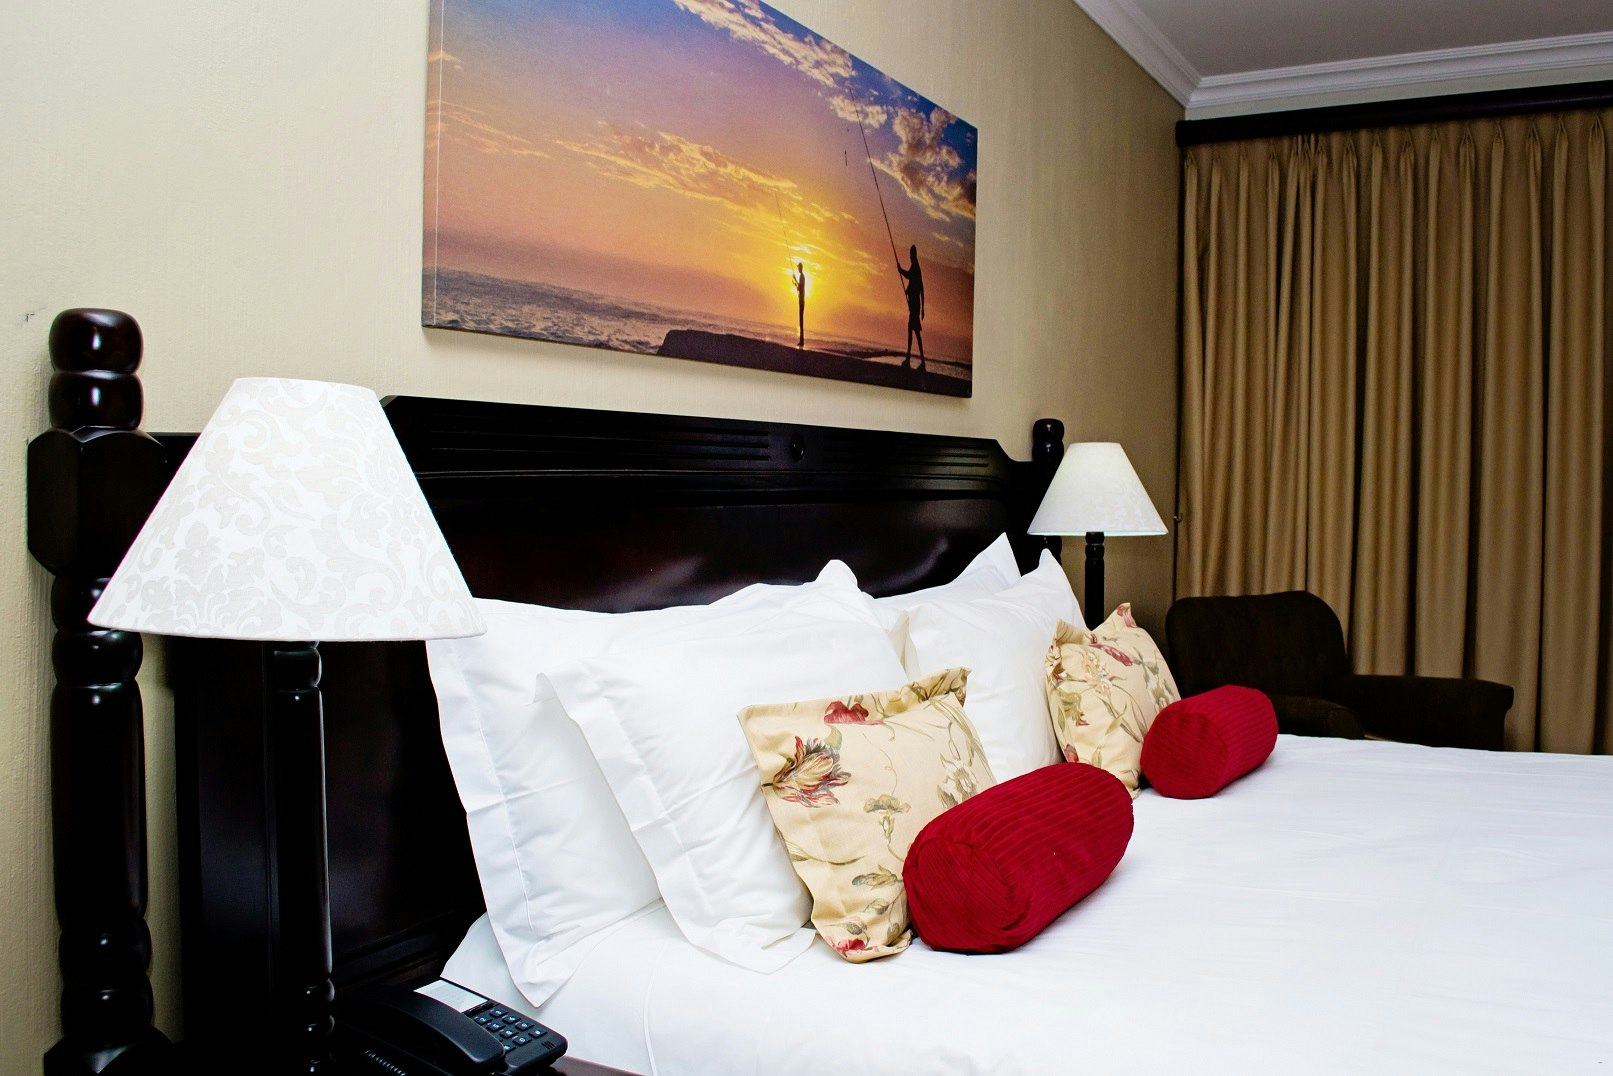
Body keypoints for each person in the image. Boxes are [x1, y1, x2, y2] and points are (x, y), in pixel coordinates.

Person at [896, 245, 925, 368]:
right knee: (914, 332)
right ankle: (914, 360)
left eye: (911, 254)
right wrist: (908, 290)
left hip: (915, 306)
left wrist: (900, 270)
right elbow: (914, 284)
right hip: (915, 305)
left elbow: (911, 278)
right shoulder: (915, 267)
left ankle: (916, 361)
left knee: (914, 333)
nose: (910, 256)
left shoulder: (915, 268)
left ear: (913, 255)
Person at [792, 261, 806, 348]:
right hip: (801, 300)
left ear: (801, 268)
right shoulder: (802, 277)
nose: (798, 269)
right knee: (801, 321)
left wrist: (795, 279)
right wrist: (795, 282)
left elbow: (800, 288)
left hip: (801, 301)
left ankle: (802, 341)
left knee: (801, 321)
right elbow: (799, 287)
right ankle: (801, 340)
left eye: (798, 267)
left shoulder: (801, 277)